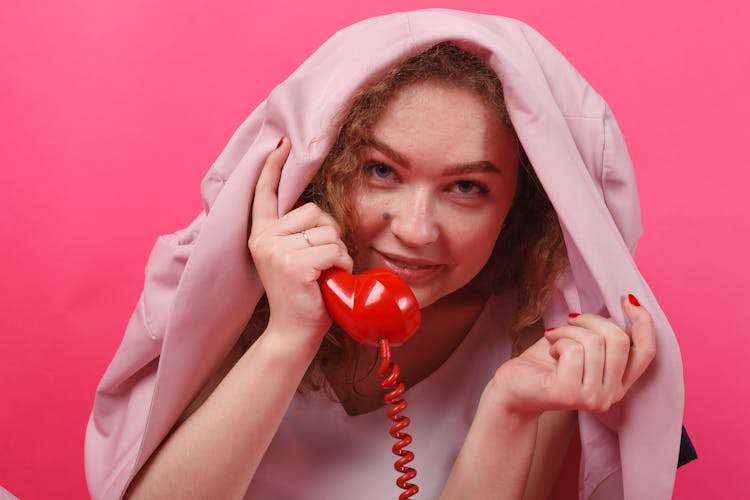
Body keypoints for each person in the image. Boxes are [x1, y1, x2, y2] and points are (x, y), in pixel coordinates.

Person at [85, 9, 693, 500]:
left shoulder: (536, 345)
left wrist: (508, 410)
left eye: (467, 187)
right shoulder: (236, 297)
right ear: (323, 171)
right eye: (381, 171)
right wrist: (288, 335)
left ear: (523, 206)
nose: (417, 230)